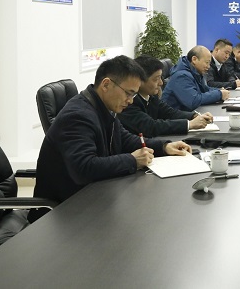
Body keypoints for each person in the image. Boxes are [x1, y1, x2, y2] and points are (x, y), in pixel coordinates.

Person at [30, 56, 191, 222]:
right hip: (63, 214)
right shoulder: (77, 116)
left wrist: (164, 147)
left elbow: (125, 139)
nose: (130, 101)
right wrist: (132, 160)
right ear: (106, 84)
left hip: (93, 198)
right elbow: (84, 168)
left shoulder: (103, 107)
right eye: (128, 93)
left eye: (134, 95)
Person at [119, 55, 214, 137]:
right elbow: (151, 126)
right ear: (140, 80)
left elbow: (170, 113)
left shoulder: (151, 96)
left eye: (161, 77)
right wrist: (190, 124)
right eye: (156, 79)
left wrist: (194, 115)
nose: (161, 83)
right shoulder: (129, 102)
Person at [162, 46, 230, 111]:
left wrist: (219, 91)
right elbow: (193, 101)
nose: (208, 66)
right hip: (174, 117)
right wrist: (219, 94)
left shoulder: (195, 72)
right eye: (207, 62)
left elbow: (204, 89)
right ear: (194, 59)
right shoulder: (181, 76)